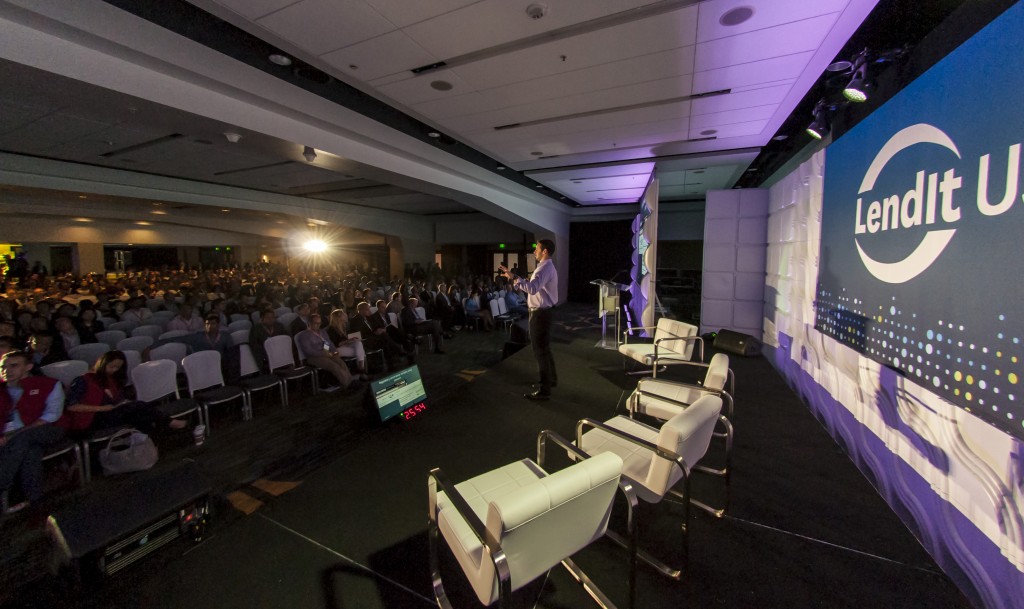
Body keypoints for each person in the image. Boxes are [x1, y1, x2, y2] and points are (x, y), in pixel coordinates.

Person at [61, 350, 187, 434]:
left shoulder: (112, 380)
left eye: (117, 368)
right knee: (139, 406)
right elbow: (72, 406)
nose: (114, 370)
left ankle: (149, 443)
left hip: (110, 414)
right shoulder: (83, 380)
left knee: (139, 415)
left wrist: (121, 403)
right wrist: (103, 408)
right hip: (92, 419)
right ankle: (167, 423)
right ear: (102, 364)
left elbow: (117, 401)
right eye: (112, 367)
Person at [0, 351, 65, 509]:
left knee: (24, 438)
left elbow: (52, 415)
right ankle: (36, 499)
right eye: (3, 367)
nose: (7, 370)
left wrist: (15, 434)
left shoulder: (48, 384)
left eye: (14, 366)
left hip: (47, 429)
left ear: (28, 367)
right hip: (12, 437)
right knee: (31, 451)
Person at [500, 239, 558, 401]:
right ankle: (550, 381)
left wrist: (515, 279)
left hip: (540, 314)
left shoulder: (544, 268)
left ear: (545, 251)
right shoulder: (548, 267)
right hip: (544, 313)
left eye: (537, 249)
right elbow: (534, 287)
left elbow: (532, 289)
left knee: (539, 351)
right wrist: (514, 277)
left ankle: (544, 390)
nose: (534, 251)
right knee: (544, 349)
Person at [294, 314, 356, 392]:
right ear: (309, 323)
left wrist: (334, 351)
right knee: (334, 366)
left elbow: (328, 343)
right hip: (314, 357)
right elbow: (308, 351)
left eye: (319, 323)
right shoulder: (304, 335)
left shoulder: (322, 332)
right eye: (315, 323)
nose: (318, 325)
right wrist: (322, 353)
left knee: (341, 363)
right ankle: (347, 385)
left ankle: (351, 381)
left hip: (326, 353)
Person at [325, 309, 368, 378]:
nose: (345, 315)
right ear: (339, 317)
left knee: (358, 343)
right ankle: (362, 372)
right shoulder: (331, 329)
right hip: (335, 350)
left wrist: (351, 339)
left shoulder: (343, 326)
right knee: (361, 352)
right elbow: (335, 344)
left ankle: (361, 372)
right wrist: (348, 341)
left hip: (345, 346)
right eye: (343, 314)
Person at [248, 308, 286, 372]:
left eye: (273, 317)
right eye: (268, 317)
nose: (271, 319)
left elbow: (286, 339)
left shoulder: (279, 326)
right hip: (265, 357)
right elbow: (254, 346)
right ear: (262, 319)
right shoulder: (255, 329)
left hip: (280, 353)